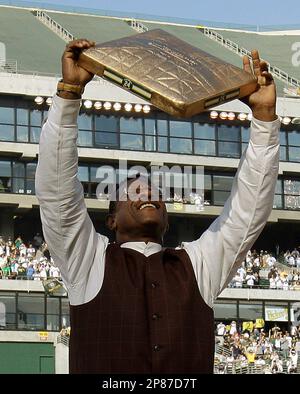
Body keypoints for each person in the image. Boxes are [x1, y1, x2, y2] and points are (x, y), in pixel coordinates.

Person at [35, 39, 280, 374]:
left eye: (153, 190)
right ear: (112, 221)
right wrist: (69, 94)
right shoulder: (87, 260)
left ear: (166, 220)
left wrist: (264, 119)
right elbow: (57, 191)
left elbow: (248, 210)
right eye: (133, 191)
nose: (147, 193)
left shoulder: (197, 263)